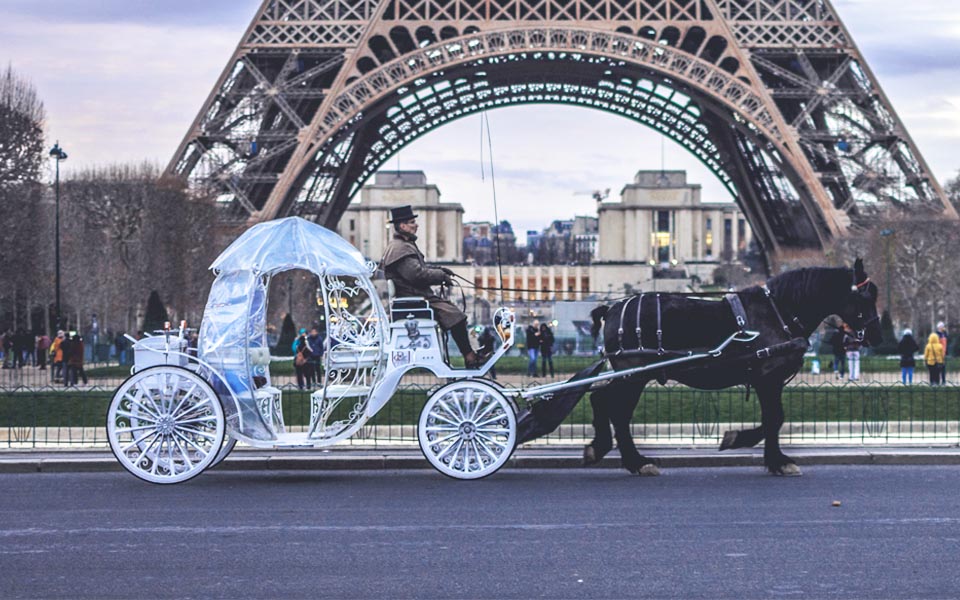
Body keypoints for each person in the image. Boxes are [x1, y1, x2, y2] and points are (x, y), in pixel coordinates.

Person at [380, 205, 487, 368]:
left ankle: (469, 355)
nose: (416, 225)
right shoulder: (400, 248)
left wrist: (440, 271)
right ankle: (470, 357)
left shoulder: (402, 246)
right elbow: (417, 275)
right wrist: (441, 276)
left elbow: (419, 270)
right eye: (411, 222)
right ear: (402, 226)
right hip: (414, 299)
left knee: (454, 313)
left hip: (415, 297)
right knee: (456, 316)